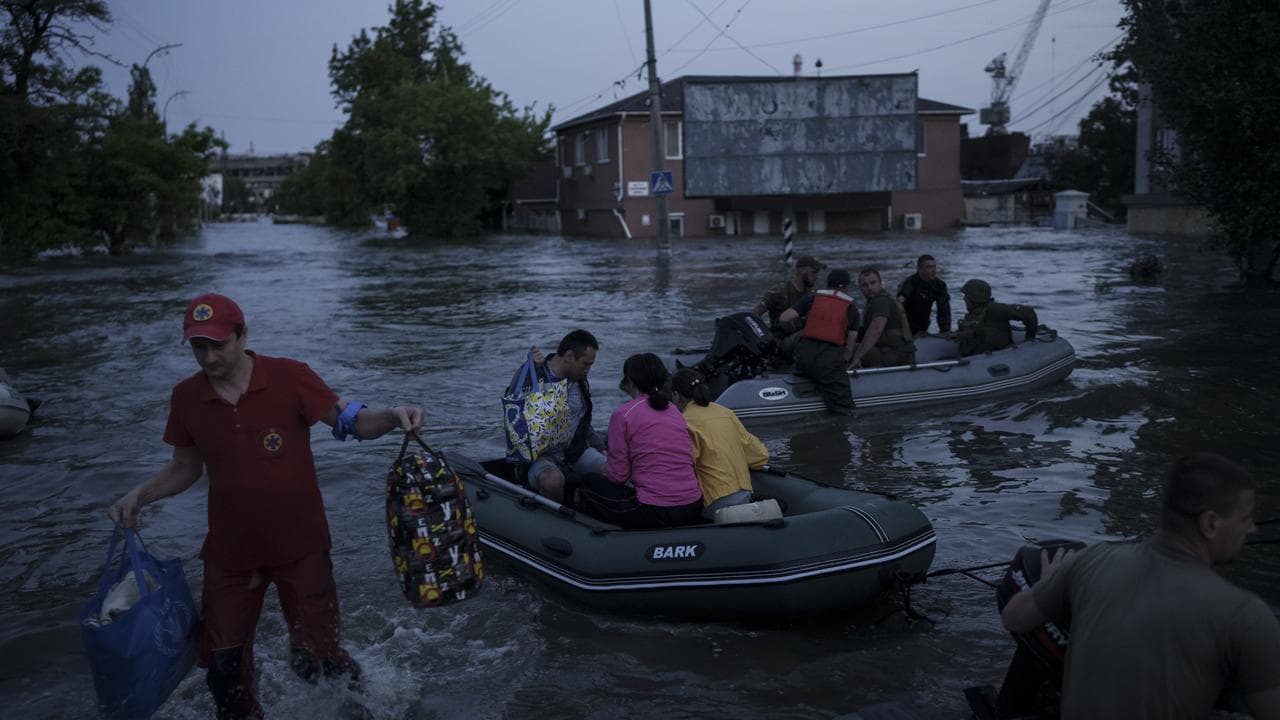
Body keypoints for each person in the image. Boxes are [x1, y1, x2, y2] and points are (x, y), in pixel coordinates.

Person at [108, 293, 423, 720]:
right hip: (231, 556)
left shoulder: (290, 377)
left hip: (302, 546)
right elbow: (185, 467)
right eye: (199, 346)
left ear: (242, 336)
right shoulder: (186, 398)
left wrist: (392, 415)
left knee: (318, 662)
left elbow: (350, 420)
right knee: (223, 672)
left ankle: (361, 700)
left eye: (218, 344)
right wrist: (138, 496)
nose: (208, 356)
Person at [1001, 452, 1280, 720]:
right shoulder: (1247, 615)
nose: (1252, 528)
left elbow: (1013, 617)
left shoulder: (1091, 560)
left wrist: (1052, 581)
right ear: (1210, 523)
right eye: (1245, 519)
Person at [576, 353, 703, 528]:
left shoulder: (623, 414)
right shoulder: (675, 411)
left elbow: (618, 476)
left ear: (631, 382)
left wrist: (601, 467)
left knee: (588, 484)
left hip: (656, 510)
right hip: (692, 504)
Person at [505, 329, 605, 504]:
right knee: (552, 481)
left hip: (575, 451)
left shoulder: (578, 380)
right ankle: (558, 522)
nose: (588, 371)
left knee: (613, 470)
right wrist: (529, 370)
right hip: (539, 457)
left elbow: (582, 421)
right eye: (585, 364)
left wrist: (602, 448)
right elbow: (513, 407)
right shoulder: (535, 373)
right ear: (569, 356)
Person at [670, 367, 768, 521]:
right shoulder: (725, 412)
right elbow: (760, 456)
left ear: (676, 395)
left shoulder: (683, 422)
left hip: (714, 502)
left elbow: (682, 470)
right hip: (744, 495)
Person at [778, 269, 860, 415]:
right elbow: (850, 345)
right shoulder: (851, 308)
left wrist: (798, 327)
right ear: (846, 288)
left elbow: (784, 318)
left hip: (803, 357)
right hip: (828, 361)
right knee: (845, 409)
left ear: (828, 285)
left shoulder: (811, 298)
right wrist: (844, 363)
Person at [753, 255, 825, 363]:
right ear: (801, 270)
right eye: (814, 272)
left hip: (802, 343)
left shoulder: (810, 295)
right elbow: (756, 314)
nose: (816, 276)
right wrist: (764, 339)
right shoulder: (780, 290)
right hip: (781, 343)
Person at [849, 267, 916, 369]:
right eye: (865, 285)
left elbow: (876, 329)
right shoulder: (875, 301)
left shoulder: (880, 301)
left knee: (850, 349)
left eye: (873, 283)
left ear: (880, 283)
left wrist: (858, 356)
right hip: (898, 354)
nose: (869, 287)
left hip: (897, 356)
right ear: (860, 288)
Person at [953, 278, 1038, 357]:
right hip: (976, 358)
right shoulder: (973, 314)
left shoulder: (994, 309)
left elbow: (1028, 313)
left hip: (998, 356)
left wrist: (1029, 339)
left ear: (975, 298)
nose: (964, 299)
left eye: (966, 296)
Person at [896, 254, 952, 336]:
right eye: (929, 267)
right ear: (919, 269)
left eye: (934, 267)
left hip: (923, 326)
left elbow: (944, 311)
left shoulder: (939, 285)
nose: (933, 270)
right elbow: (899, 308)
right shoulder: (909, 284)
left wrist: (945, 332)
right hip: (906, 325)